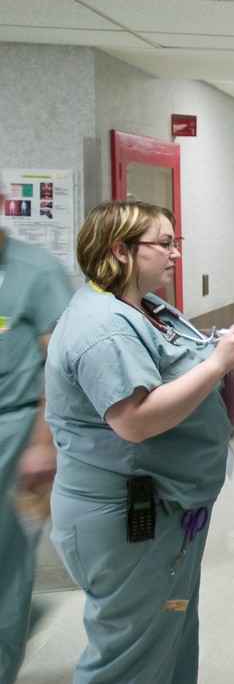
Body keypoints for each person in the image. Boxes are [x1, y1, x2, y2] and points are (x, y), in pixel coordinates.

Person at [43, 200, 234, 682]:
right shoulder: (101, 328)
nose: (174, 254)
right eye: (164, 244)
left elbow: (174, 357)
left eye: (174, 242)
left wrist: (222, 346)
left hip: (165, 508)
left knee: (169, 635)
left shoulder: (143, 306)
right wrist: (218, 363)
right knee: (130, 658)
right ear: (120, 251)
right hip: (127, 517)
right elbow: (135, 421)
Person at [0, 194, 73, 684]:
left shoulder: (36, 272)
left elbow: (58, 362)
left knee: (4, 560)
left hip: (13, 424)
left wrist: (42, 441)